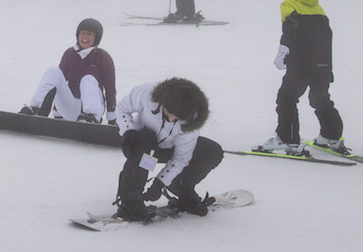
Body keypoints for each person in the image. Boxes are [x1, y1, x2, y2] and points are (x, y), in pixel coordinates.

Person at [257, 0, 348, 154]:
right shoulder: (318, 8)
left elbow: (290, 29)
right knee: (320, 99)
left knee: (287, 98)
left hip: (301, 63)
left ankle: (287, 139)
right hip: (323, 64)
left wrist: (283, 50)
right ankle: (331, 135)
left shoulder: (289, 4)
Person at [113, 78, 223, 223]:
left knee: (212, 151)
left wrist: (160, 183)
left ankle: (181, 187)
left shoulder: (192, 122)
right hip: (141, 145)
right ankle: (131, 201)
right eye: (168, 112)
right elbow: (122, 109)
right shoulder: (147, 94)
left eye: (177, 118)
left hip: (168, 151)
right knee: (147, 142)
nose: (171, 119)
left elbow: (180, 159)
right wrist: (128, 131)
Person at [20, 18, 116, 124]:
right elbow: (59, 81)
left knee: (88, 79)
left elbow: (110, 88)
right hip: (71, 107)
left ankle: (91, 117)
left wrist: (112, 117)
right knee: (53, 71)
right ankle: (37, 109)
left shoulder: (103, 57)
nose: (84, 37)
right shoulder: (70, 54)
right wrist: (57, 111)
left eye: (89, 34)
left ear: (96, 38)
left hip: (95, 106)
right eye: (82, 33)